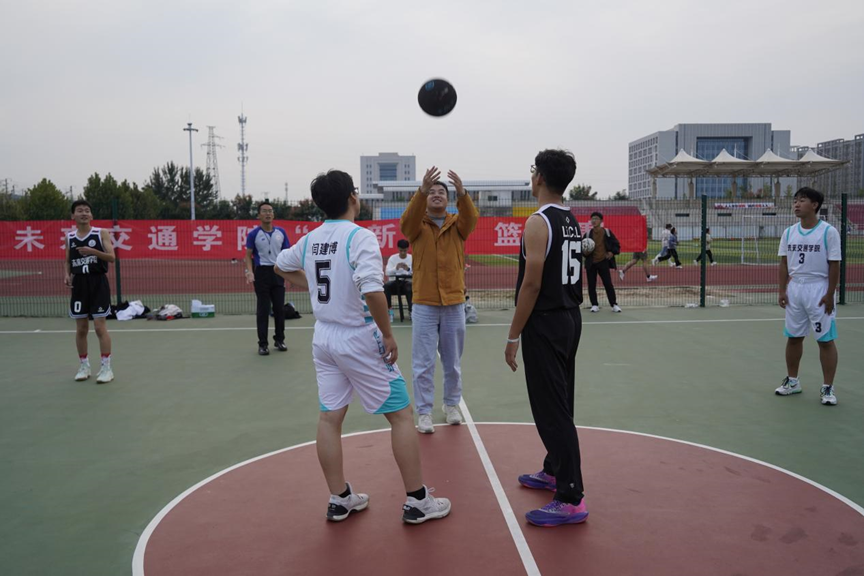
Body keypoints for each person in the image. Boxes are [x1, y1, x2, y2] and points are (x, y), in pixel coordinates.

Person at [274, 169, 451, 524]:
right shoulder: (360, 237)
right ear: (353, 198)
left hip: (324, 338)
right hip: (358, 336)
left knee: (329, 418)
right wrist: (387, 334)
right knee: (401, 415)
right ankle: (418, 501)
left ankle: (340, 499)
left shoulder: (310, 239)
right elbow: (372, 289)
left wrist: (312, 285)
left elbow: (280, 266)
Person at [504, 149, 588, 527]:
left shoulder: (538, 222)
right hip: (570, 318)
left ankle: (571, 497)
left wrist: (513, 335)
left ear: (539, 177)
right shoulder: (570, 219)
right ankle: (554, 468)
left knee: (551, 409)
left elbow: (532, 283)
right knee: (561, 400)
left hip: (547, 322)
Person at [400, 166, 479, 433]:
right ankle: (424, 411)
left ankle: (451, 405)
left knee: (452, 362)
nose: (436, 195)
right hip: (424, 303)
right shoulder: (417, 225)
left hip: (454, 302)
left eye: (441, 192)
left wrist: (463, 193)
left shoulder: (458, 224)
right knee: (423, 363)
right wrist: (420, 191)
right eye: (431, 192)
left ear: (448, 199)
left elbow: (472, 218)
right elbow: (405, 223)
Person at [776, 187, 841, 406]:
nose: (796, 204)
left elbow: (834, 264)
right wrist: (782, 290)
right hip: (795, 288)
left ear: (814, 205)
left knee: (825, 340)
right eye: (795, 200)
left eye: (802, 200)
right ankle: (792, 381)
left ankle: (828, 387)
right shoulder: (789, 232)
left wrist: (830, 293)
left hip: (819, 288)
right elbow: (784, 263)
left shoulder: (828, 231)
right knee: (793, 337)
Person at [65, 200, 116, 384]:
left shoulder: (101, 233)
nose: (84, 213)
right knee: (81, 328)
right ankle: (84, 366)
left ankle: (106, 368)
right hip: (79, 285)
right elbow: (68, 260)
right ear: (73, 215)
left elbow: (112, 257)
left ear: (92, 215)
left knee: (100, 327)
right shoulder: (70, 237)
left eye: (87, 210)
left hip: (97, 283)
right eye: (80, 211)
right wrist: (67, 274)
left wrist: (93, 251)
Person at [244, 202, 291, 356]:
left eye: (270, 211)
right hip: (261, 273)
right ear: (259, 215)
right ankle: (263, 344)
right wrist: (249, 272)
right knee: (263, 310)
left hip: (278, 272)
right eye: (264, 211)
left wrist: (289, 273)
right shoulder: (253, 234)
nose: (268, 214)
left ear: (273, 214)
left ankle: (280, 340)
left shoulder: (281, 233)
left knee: (279, 309)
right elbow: (248, 255)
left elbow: (286, 254)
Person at [585, 212, 622, 313]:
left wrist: (612, 252)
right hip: (591, 263)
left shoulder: (607, 232)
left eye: (596, 218)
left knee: (608, 284)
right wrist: (585, 252)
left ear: (601, 221)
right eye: (592, 219)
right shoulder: (587, 234)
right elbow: (583, 248)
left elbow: (616, 245)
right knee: (591, 285)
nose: (594, 220)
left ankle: (614, 304)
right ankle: (594, 305)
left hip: (603, 262)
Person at [383, 239, 413, 318]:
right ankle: (389, 310)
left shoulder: (411, 258)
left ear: (408, 249)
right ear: (398, 249)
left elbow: (416, 273)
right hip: (395, 283)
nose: (403, 253)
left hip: (407, 283)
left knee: (410, 287)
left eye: (405, 251)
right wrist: (396, 268)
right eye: (401, 250)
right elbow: (387, 272)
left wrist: (408, 269)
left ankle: (411, 311)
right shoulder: (393, 258)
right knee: (386, 286)